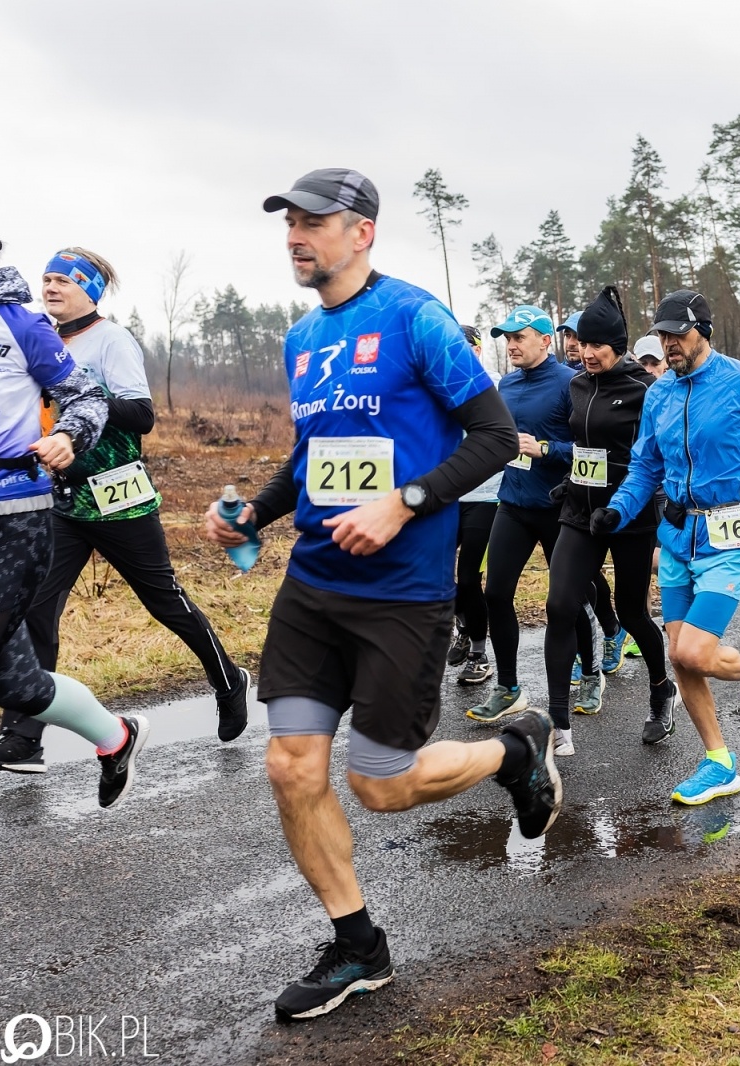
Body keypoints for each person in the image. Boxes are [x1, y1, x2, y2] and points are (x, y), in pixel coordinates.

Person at [201, 169, 558, 1019]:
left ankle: (516, 753)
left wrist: (405, 503)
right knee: (291, 766)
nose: (296, 235)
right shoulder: (300, 339)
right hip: (315, 583)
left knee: (382, 783)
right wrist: (255, 508)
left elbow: (497, 437)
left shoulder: (414, 318)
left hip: (403, 589)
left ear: (360, 231)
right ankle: (358, 947)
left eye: (313, 221)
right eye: (289, 222)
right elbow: (311, 456)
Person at [0, 202, 148, 909]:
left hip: (16, 519)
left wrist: (69, 435)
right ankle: (118, 735)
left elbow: (83, 397)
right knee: (14, 682)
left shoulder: (20, 324)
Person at [0, 248, 249, 775]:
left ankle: (228, 679)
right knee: (34, 611)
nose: (49, 287)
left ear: (90, 290)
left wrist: (79, 390)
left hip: (117, 495)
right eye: (45, 279)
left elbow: (141, 415)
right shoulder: (41, 341)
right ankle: (24, 738)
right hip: (61, 501)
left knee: (164, 602)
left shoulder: (111, 340)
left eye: (62, 281)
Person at [593, 289, 740, 805]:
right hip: (676, 535)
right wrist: (617, 511)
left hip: (731, 534)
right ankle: (720, 762)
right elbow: (646, 466)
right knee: (683, 659)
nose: (669, 343)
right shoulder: (660, 394)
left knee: (695, 649)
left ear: (703, 332)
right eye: (663, 334)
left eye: (678, 333)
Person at [542, 286, 677, 754]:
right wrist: (569, 479)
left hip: (628, 515)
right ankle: (558, 725)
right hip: (579, 511)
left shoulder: (645, 389)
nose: (586, 353)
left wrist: (622, 501)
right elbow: (583, 445)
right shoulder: (577, 385)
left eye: (597, 344)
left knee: (633, 611)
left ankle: (662, 691)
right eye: (581, 344)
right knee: (559, 605)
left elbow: (652, 460)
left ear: (617, 346)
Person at [465, 304, 600, 723]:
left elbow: (589, 451)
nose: (511, 345)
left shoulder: (571, 383)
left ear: (545, 340)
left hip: (560, 508)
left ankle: (592, 673)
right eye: (506, 338)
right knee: (495, 593)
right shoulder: (505, 385)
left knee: (567, 599)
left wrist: (545, 449)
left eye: (518, 337)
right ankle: (508, 687)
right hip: (514, 502)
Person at [448, 325, 503, 685]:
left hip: (487, 496)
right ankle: (464, 626)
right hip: (449, 496)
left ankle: (480, 655)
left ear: (478, 350)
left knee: (469, 577)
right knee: (433, 573)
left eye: (466, 348)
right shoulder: (438, 388)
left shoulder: (496, 385)